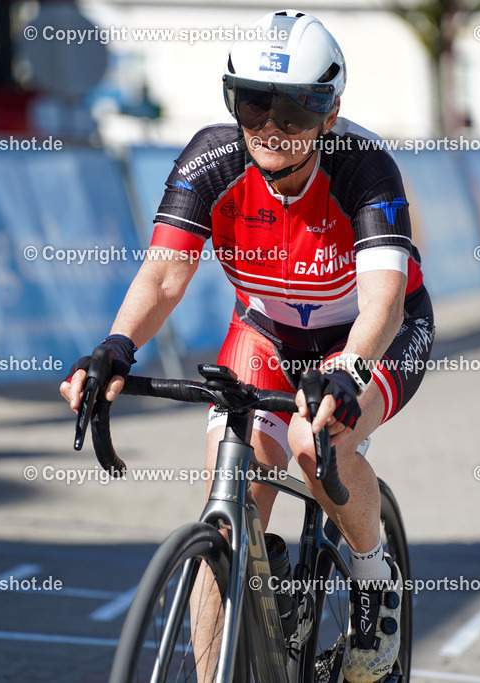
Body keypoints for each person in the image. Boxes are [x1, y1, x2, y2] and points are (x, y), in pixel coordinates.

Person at [61, 10, 434, 682]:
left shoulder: (363, 166)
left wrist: (349, 371)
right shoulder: (212, 158)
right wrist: (116, 346)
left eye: (294, 110)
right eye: (253, 102)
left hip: (373, 336)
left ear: (332, 112)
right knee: (227, 515)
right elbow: (165, 275)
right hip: (267, 332)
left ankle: (374, 582)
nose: (271, 125)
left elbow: (382, 300)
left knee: (312, 444)